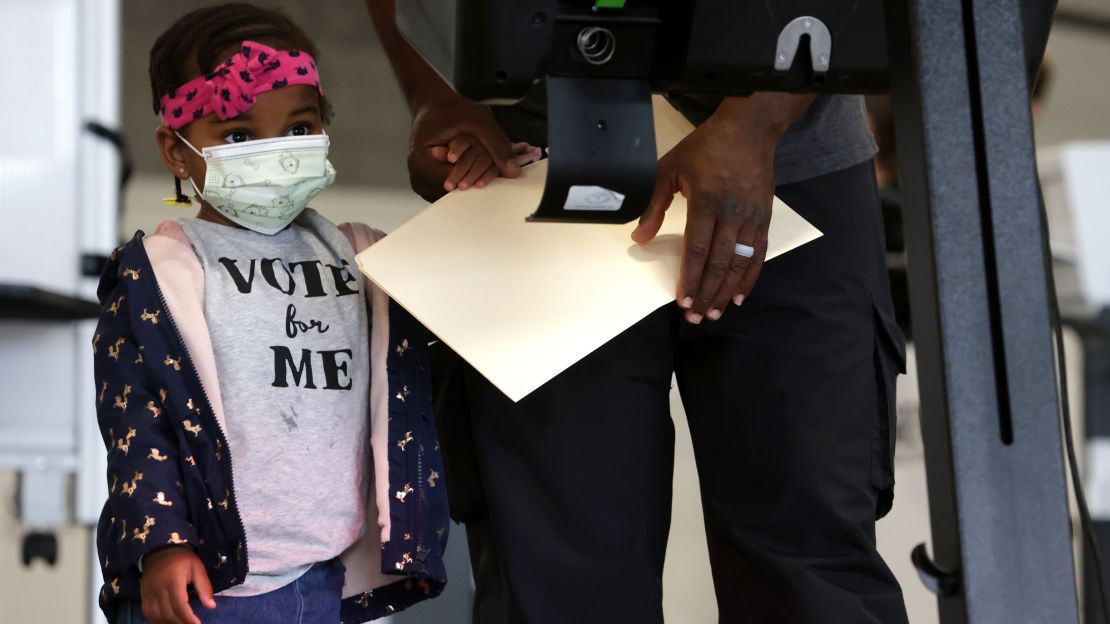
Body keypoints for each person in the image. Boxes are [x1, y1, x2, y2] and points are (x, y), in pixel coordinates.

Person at [367, 3, 909, 623]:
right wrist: (435, 93)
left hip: (794, 154)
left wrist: (756, 121)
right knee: (564, 572)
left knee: (808, 556)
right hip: (535, 161)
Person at [93, 5, 449, 623]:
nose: (275, 153)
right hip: (204, 586)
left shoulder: (360, 258)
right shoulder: (160, 271)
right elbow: (137, 421)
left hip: (319, 581)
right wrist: (161, 545)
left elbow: (461, 274)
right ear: (178, 153)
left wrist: (479, 179)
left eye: (297, 127)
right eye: (237, 136)